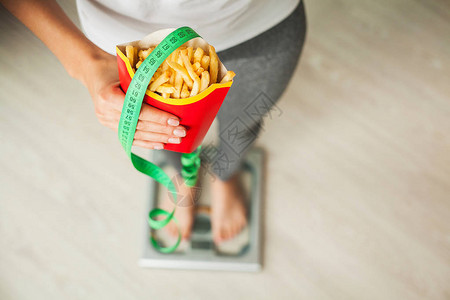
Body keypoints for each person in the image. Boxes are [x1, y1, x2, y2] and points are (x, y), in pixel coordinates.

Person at [1, 0, 306, 245]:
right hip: (131, 43)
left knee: (245, 119)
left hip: (262, 21)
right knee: (165, 131)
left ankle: (226, 175)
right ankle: (182, 177)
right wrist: (84, 64)